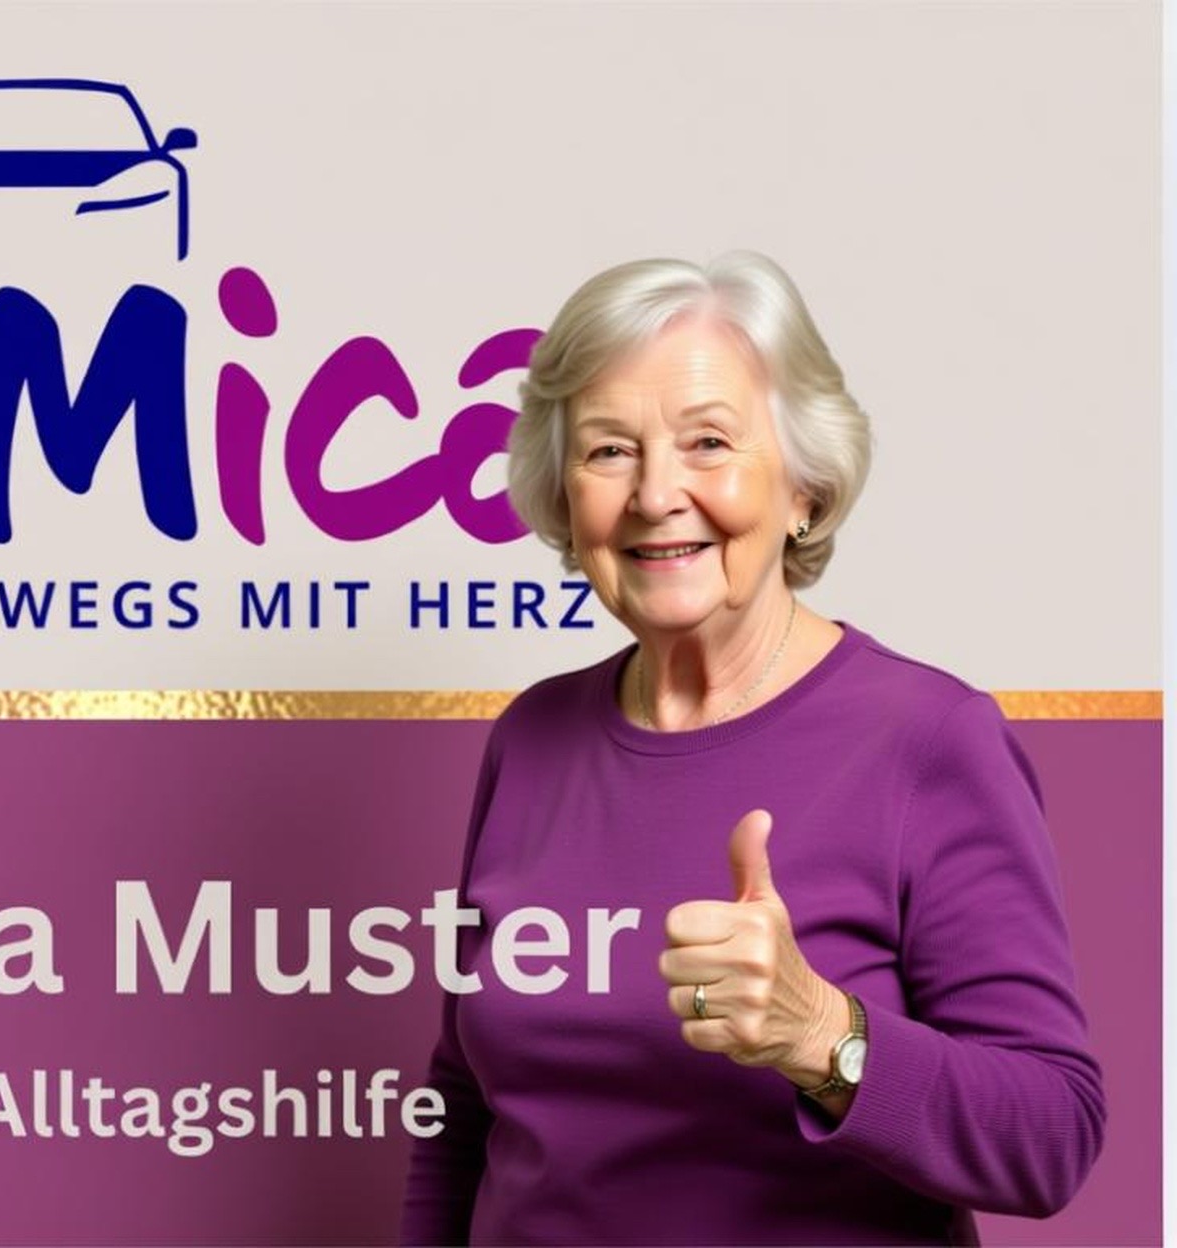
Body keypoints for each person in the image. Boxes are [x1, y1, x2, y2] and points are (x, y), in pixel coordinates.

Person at [399, 252, 1102, 1244]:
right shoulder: (532, 738)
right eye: (607, 452)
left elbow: (1050, 1138)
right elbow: (463, 1099)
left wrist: (819, 1033)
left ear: (804, 490)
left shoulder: (927, 739)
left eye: (708, 443)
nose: (654, 495)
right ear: (564, 499)